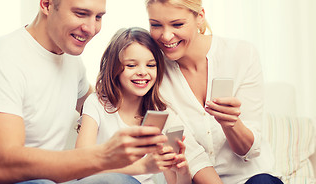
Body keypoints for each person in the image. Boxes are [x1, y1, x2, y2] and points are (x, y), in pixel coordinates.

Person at [0, 0, 167, 184]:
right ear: (46, 4)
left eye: (98, 17)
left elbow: (100, 101)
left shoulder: (71, 62)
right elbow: (3, 168)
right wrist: (104, 156)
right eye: (81, 13)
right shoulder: (0, 61)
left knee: (121, 180)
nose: (91, 29)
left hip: (53, 181)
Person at [145, 0, 284, 184]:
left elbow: (250, 151)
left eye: (177, 24)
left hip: (251, 178)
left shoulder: (242, 55)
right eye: (156, 25)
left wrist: (231, 124)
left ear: (200, 16)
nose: (165, 36)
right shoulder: (154, 74)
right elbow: (190, 154)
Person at [75, 27, 223, 184]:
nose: (142, 72)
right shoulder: (97, 103)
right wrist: (141, 167)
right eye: (132, 65)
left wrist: (182, 172)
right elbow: (81, 168)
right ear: (114, 68)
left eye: (151, 65)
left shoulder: (161, 113)